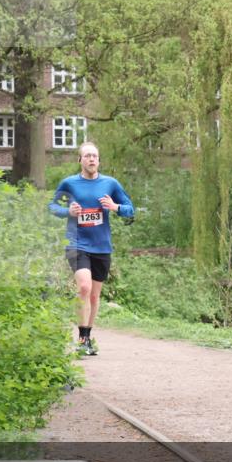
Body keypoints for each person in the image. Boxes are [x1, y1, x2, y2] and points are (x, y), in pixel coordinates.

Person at [48, 141, 134, 356]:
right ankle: (82, 338)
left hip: (102, 246)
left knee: (94, 296)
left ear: (99, 160)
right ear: (80, 160)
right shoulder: (69, 183)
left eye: (95, 156)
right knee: (84, 288)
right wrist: (68, 211)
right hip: (76, 243)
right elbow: (52, 206)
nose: (91, 159)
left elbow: (130, 209)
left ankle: (87, 336)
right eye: (87, 156)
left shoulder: (110, 184)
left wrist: (116, 207)